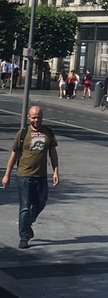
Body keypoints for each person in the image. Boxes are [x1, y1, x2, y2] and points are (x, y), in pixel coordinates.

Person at [2, 106, 59, 249]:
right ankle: (24, 236)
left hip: (41, 176)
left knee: (41, 202)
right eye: (33, 117)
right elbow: (14, 155)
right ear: (28, 117)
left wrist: (56, 171)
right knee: (25, 207)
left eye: (39, 117)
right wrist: (7, 175)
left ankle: (27, 223)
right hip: (24, 176)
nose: (36, 120)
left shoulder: (48, 133)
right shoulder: (22, 134)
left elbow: (53, 153)